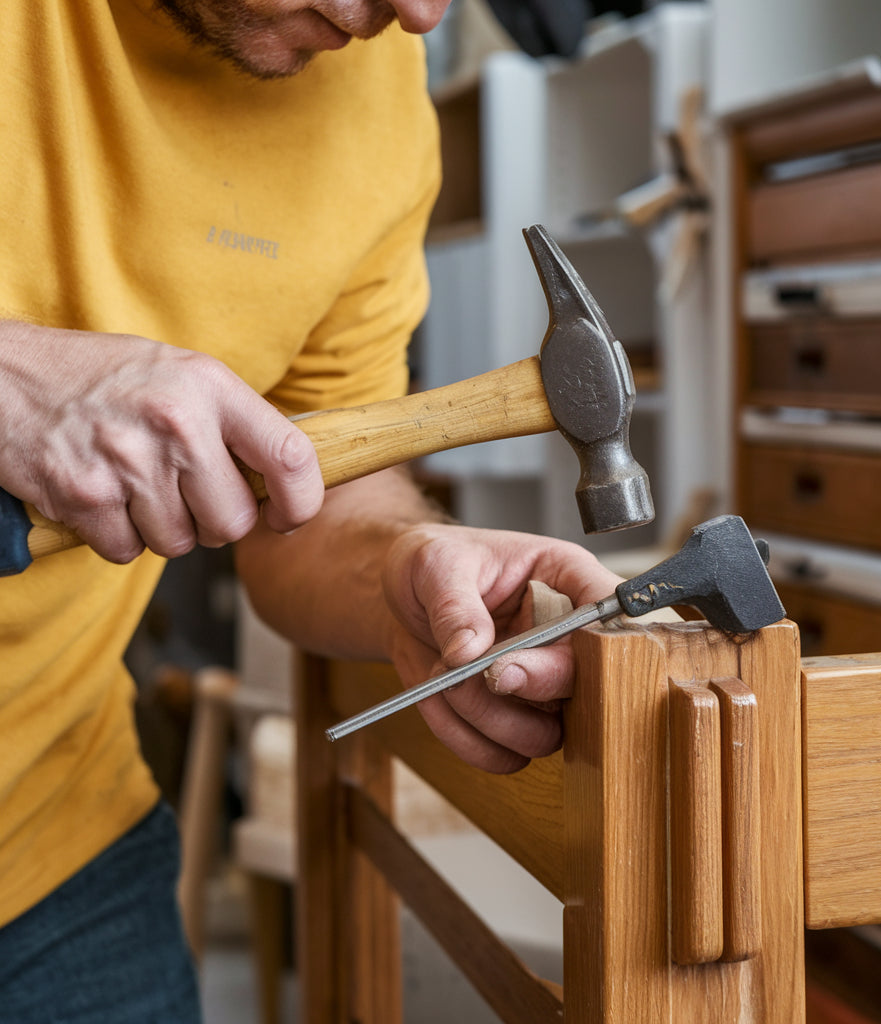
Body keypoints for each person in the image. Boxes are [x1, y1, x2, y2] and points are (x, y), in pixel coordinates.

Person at [0, 2, 624, 1020]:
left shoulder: (381, 108)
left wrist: (398, 566)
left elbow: (315, 491)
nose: (419, 13)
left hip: (53, 845)